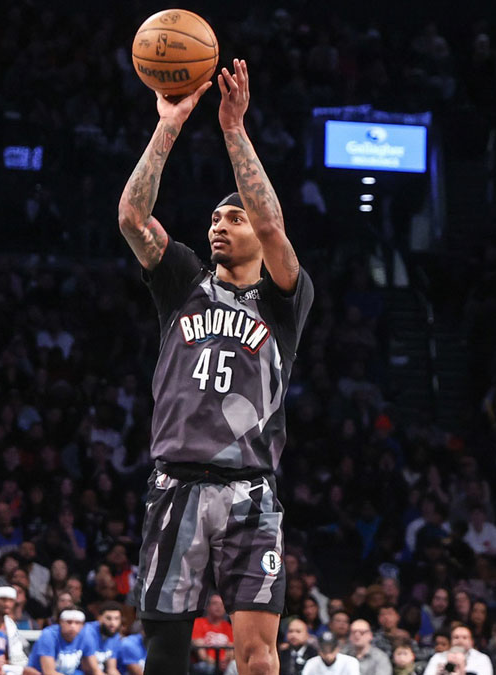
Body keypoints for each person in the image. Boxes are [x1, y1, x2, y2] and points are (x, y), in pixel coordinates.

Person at [119, 57, 314, 675]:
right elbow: (131, 217)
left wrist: (233, 129)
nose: (218, 226)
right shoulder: (182, 281)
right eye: (213, 218)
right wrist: (170, 125)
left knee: (257, 656)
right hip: (175, 484)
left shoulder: (284, 298)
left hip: (249, 490)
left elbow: (275, 224)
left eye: (232, 218)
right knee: (168, 652)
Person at [23, 609, 93, 675]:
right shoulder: (49, 635)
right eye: (69, 622)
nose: (72, 626)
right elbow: (49, 673)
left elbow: (93, 669)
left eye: (77, 623)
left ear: (82, 625)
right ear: (61, 622)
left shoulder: (85, 635)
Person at [191, 595, 234, 674]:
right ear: (208, 607)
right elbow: (201, 653)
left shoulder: (227, 626)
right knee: (208, 668)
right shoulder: (198, 623)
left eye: (222, 604)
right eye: (215, 603)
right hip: (206, 662)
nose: (218, 607)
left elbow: (231, 649)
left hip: (224, 664)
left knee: (234, 666)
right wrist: (216, 663)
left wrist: (226, 661)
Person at [79, 602, 123, 675]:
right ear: (99, 618)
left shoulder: (115, 635)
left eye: (116, 618)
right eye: (108, 618)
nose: (113, 623)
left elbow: (111, 669)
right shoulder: (88, 632)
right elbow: (93, 670)